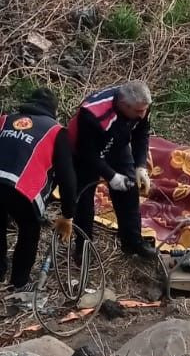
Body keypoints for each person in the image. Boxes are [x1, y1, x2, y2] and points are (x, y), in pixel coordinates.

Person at [0, 88, 77, 297]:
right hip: (19, 188)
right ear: (53, 110)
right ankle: (20, 281)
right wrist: (68, 214)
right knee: (29, 229)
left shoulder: (7, 120)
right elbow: (67, 177)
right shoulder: (56, 131)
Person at [66, 80, 154, 258]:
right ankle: (83, 246)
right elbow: (87, 153)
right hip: (84, 152)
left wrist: (140, 165)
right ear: (123, 104)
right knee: (84, 200)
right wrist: (111, 176)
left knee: (129, 189)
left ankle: (132, 242)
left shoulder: (141, 106)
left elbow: (141, 133)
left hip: (117, 144)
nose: (142, 114)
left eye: (145, 110)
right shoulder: (92, 113)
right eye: (138, 111)